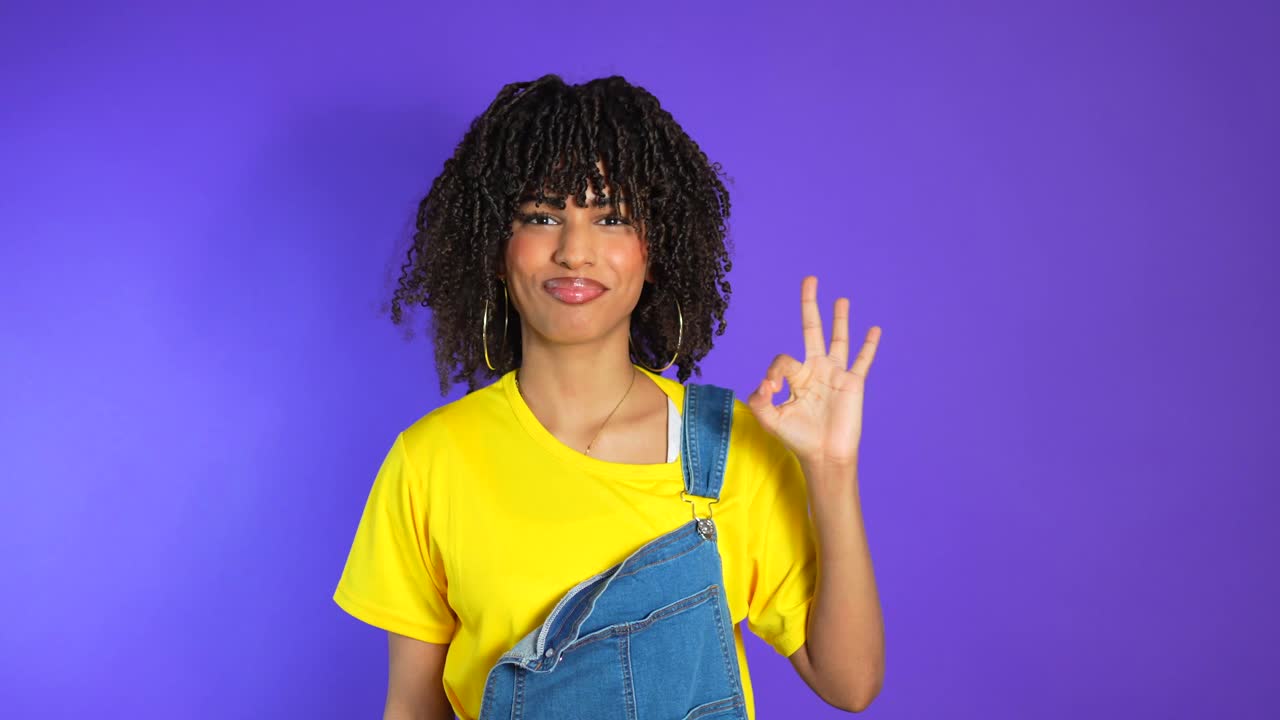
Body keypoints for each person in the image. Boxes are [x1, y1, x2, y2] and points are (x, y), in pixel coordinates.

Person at [334, 74, 885, 720]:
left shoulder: (727, 445)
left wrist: (832, 471)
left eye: (611, 218)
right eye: (542, 217)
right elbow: (411, 707)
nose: (574, 252)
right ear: (496, 247)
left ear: (655, 252)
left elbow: (852, 685)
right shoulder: (428, 463)